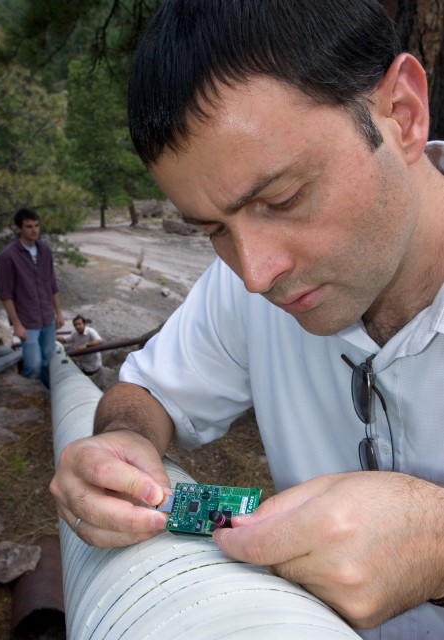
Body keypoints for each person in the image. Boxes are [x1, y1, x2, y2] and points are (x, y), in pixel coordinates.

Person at [50, 1, 444, 637]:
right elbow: (144, 392)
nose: (256, 275)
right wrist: (123, 440)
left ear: (401, 113)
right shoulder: (244, 291)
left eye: (281, 199)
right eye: (213, 231)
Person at [0, 207, 64, 388]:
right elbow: (6, 295)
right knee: (33, 365)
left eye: (36, 225)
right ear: (20, 228)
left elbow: (52, 285)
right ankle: (30, 400)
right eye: (29, 226)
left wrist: (58, 313)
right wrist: (17, 324)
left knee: (47, 363)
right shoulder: (8, 256)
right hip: (28, 322)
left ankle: (48, 398)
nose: (34, 230)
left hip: (47, 318)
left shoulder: (45, 251)